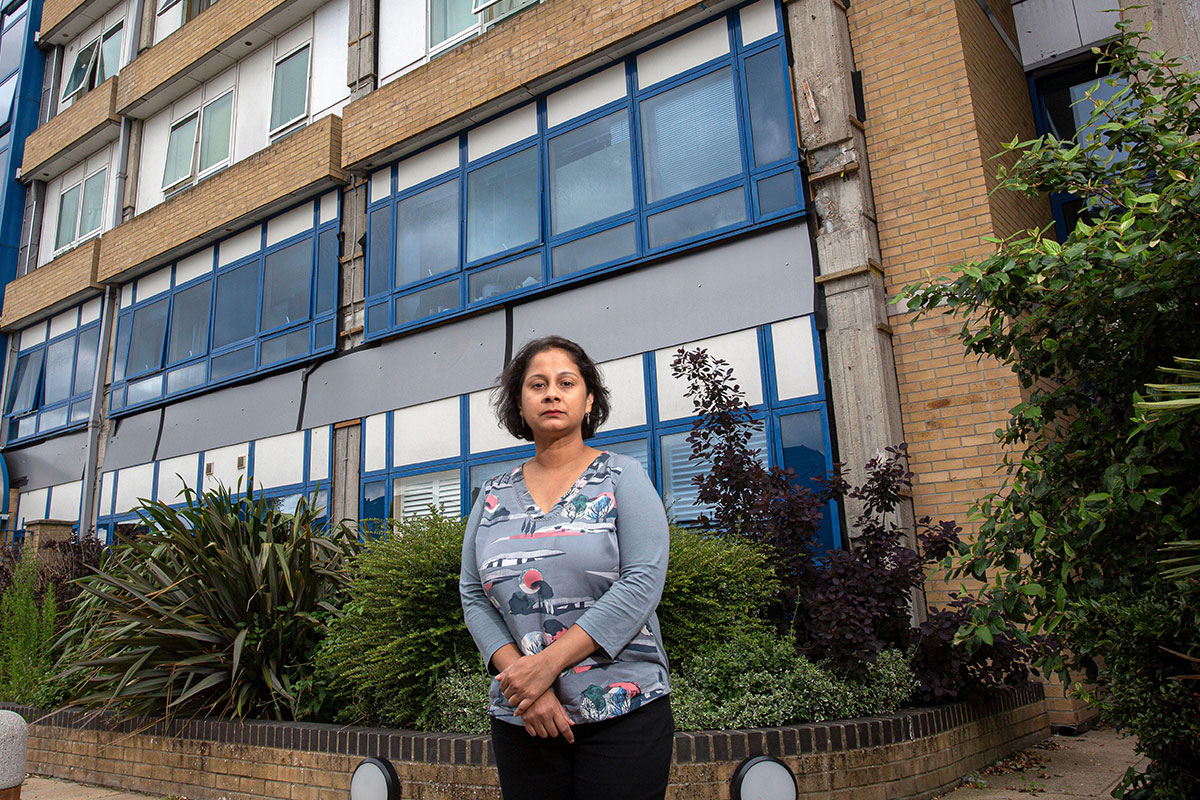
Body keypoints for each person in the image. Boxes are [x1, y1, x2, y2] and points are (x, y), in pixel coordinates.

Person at [459, 335, 673, 800]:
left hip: (624, 709)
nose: (552, 393)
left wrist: (546, 666)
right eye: (537, 384)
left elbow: (642, 583)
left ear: (588, 399)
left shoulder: (622, 477)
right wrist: (527, 685)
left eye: (566, 383)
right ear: (519, 403)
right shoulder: (491, 494)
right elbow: (473, 593)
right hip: (524, 720)